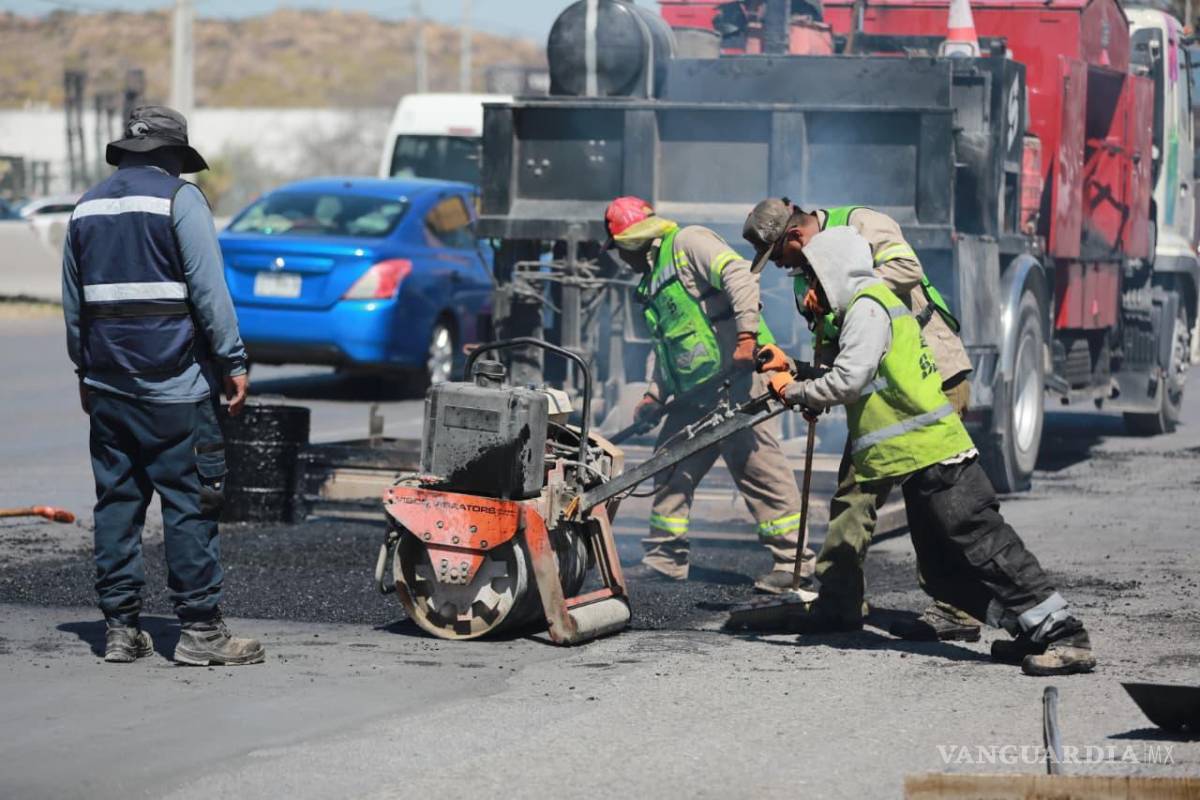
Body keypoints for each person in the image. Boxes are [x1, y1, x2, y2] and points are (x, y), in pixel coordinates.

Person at [758, 226, 1094, 676]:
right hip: (916, 459)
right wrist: (795, 367)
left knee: (984, 544)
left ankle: (1065, 635)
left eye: (815, 277)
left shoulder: (867, 307)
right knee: (941, 574)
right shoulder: (866, 307)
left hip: (936, 455)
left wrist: (796, 391)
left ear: (833, 269)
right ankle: (1028, 629)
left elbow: (849, 380)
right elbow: (856, 368)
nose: (812, 289)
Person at [62, 105, 264, 666]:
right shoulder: (180, 200)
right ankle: (200, 633)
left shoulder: (86, 207)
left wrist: (84, 372)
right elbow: (208, 290)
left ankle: (121, 631)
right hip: (175, 389)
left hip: (107, 387)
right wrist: (233, 360)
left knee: (118, 505)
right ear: (173, 157)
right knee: (190, 504)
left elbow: (74, 305)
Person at [743, 198, 980, 641]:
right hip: (882, 392)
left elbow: (906, 269)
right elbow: (842, 355)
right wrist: (801, 372)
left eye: (777, 256)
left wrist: (844, 287)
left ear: (795, 236)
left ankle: (958, 607)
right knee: (855, 489)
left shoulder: (863, 225)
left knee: (934, 498)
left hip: (932, 377)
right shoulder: (805, 280)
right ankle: (839, 602)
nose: (778, 266)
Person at [604, 196, 815, 594]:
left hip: (736, 382)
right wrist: (654, 394)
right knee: (667, 466)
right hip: (695, 394)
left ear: (629, 240)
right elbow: (667, 346)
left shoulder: (688, 243)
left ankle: (795, 563)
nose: (620, 260)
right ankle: (664, 558)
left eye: (618, 250)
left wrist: (747, 338)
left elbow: (739, 275)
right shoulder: (649, 282)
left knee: (758, 470)